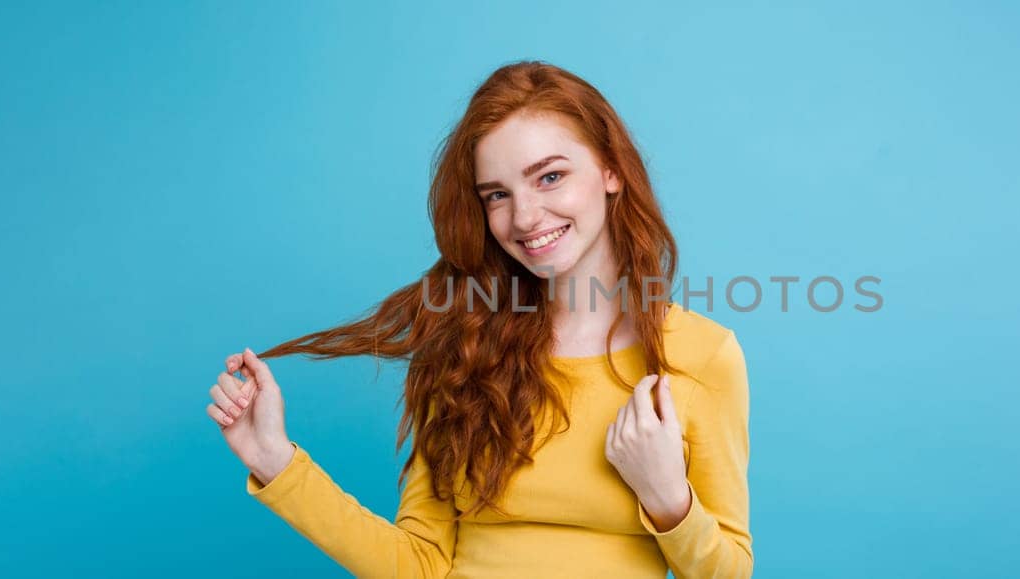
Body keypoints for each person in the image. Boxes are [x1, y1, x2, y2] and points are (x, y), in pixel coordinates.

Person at [203, 61, 752, 578]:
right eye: (497, 195)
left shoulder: (700, 357)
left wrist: (668, 499)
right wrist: (276, 461)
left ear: (610, 169)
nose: (525, 217)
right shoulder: (465, 351)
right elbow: (418, 562)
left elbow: (728, 570)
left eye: (550, 177)